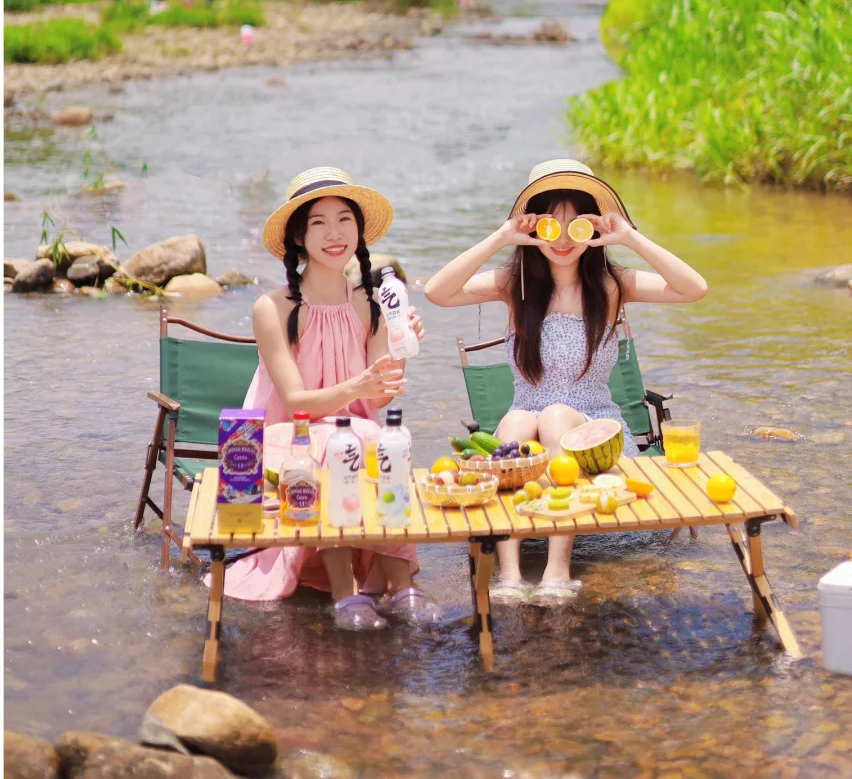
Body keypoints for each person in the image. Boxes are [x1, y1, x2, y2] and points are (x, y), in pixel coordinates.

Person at [425, 159, 708, 605]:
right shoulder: (513, 283)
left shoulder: (612, 285)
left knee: (554, 414)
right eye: (548, 227)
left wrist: (629, 237)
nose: (561, 240)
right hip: (525, 442)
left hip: (597, 436)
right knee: (518, 418)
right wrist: (501, 236)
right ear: (532, 229)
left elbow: (695, 288)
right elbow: (437, 292)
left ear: (592, 231)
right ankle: (512, 576)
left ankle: (558, 569)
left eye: (575, 226)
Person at [210, 167, 441, 631]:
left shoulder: (370, 303)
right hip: (287, 440)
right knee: (336, 445)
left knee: (380, 438)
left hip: (355, 431)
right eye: (318, 223)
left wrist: (401, 343)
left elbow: (384, 388)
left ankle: (402, 584)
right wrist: (357, 388)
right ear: (298, 236)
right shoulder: (274, 308)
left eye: (344, 221)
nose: (334, 234)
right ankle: (345, 593)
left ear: (359, 232)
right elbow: (296, 402)